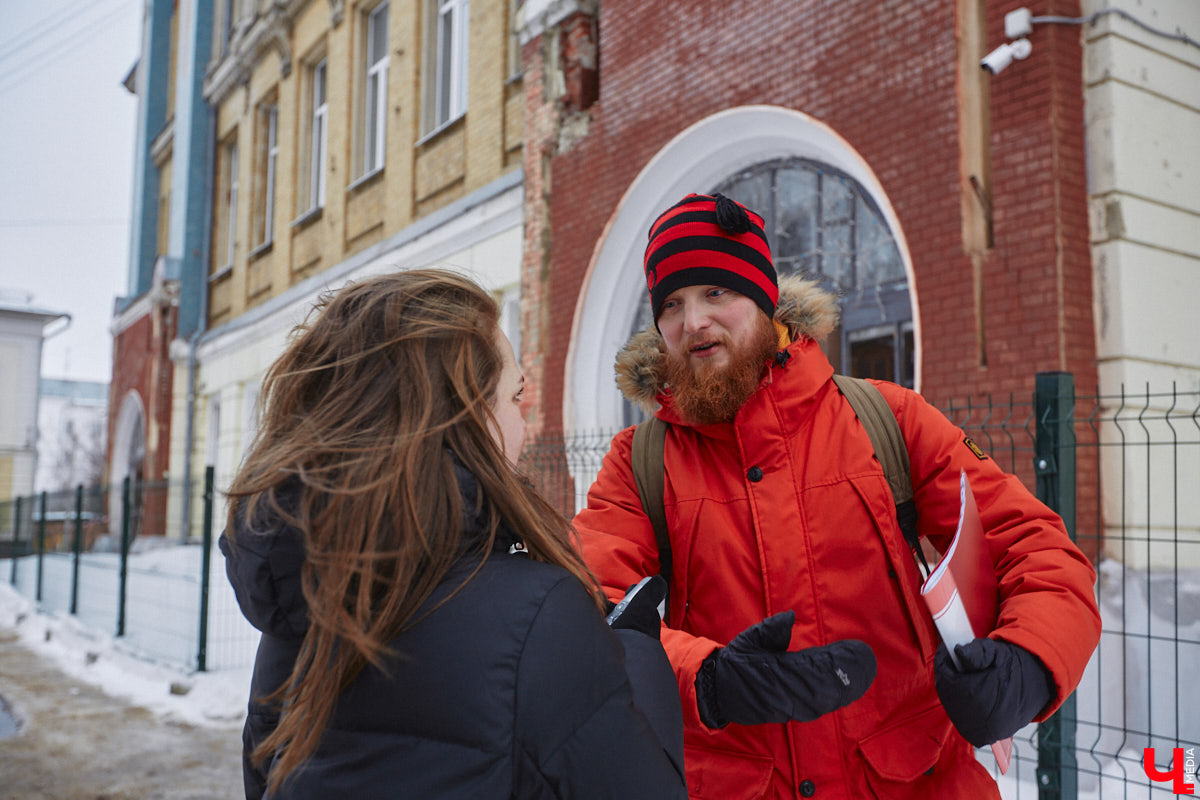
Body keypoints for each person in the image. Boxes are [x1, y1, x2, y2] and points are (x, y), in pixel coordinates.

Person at [575, 193, 1101, 799]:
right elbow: (595, 612)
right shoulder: (638, 465)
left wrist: (1027, 664)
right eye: (671, 303)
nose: (692, 321)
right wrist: (710, 680)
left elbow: (1039, 549)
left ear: (764, 300)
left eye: (716, 292)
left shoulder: (889, 418)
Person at [220, 269, 687, 799]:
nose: (523, 425)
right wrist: (637, 651)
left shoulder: (311, 594)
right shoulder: (538, 614)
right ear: (464, 417)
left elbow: (264, 780)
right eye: (515, 397)